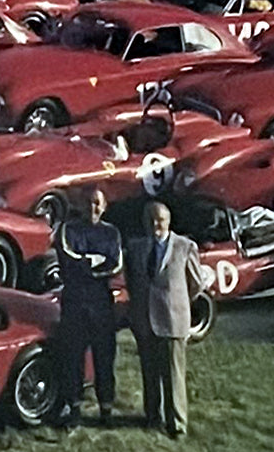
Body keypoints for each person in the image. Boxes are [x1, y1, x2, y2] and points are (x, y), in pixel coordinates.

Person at [124, 200, 205, 438]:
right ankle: (152, 417)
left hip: (172, 319)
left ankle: (177, 424)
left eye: (159, 219)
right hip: (144, 319)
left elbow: (196, 284)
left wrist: (177, 301)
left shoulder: (184, 246)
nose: (154, 224)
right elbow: (132, 281)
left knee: (173, 374)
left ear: (168, 221)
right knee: (149, 373)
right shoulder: (136, 247)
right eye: (150, 219)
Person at [54, 185, 123, 428]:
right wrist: (93, 261)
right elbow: (67, 260)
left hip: (101, 304)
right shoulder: (67, 229)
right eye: (89, 202)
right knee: (72, 358)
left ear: (104, 207)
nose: (92, 208)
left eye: (97, 203)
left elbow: (114, 265)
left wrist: (85, 264)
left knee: (105, 357)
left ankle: (106, 409)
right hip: (74, 302)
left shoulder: (112, 233)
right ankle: (73, 408)